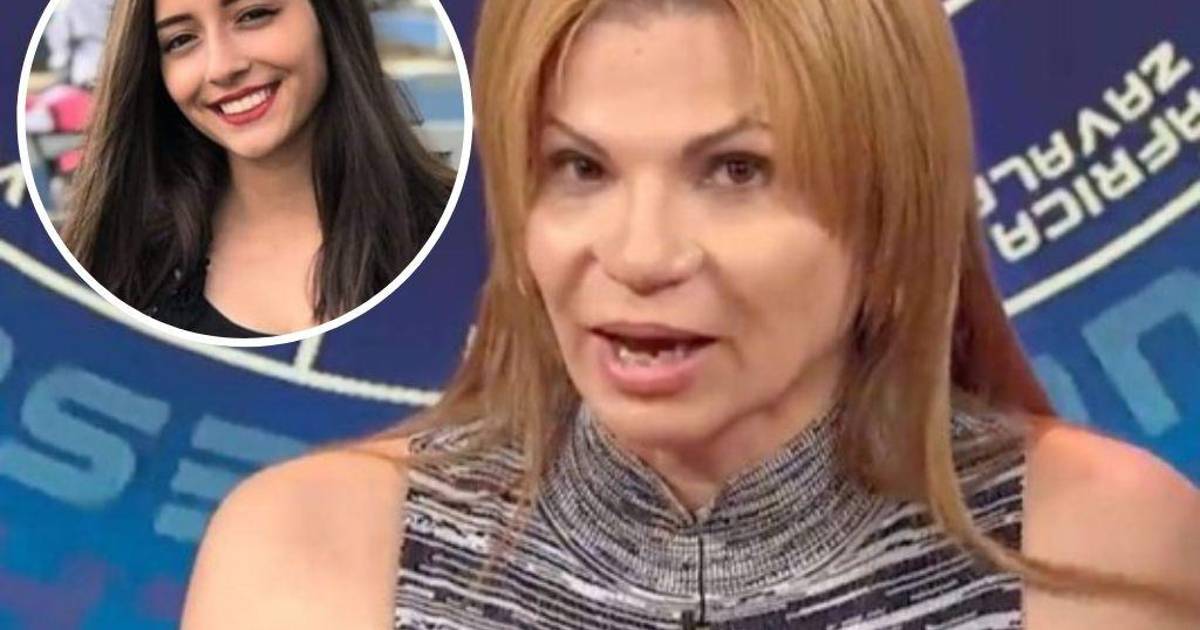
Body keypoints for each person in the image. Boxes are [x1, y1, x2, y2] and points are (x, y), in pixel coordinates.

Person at [180, 0, 1200, 627]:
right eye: (580, 167)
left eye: (737, 171)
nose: (639, 256)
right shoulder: (307, 556)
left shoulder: (1102, 553)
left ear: (891, 214)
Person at [61, 0, 455, 337]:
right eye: (181, 40)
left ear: (327, 15)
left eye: (253, 15)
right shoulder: (122, 263)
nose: (221, 68)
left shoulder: (464, 230)